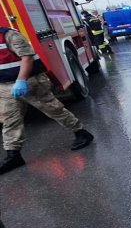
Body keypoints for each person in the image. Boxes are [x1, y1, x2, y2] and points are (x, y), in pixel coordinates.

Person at [0, 26, 94, 175]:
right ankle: (13, 155)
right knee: (9, 119)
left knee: (53, 109)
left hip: (30, 81)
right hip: (5, 86)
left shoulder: (9, 35)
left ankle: (81, 133)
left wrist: (21, 80)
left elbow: (27, 57)